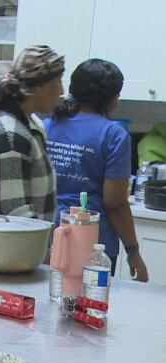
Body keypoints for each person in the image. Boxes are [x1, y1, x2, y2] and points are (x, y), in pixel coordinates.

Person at [44, 59, 148, 280]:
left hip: (48, 236)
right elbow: (115, 202)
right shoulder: (113, 135)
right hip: (92, 243)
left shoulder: (48, 125)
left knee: (47, 304)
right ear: (111, 97)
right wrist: (133, 251)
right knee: (88, 307)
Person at [0, 45, 64, 221]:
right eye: (57, 81)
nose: (61, 91)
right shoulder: (9, 135)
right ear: (38, 86)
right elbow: (16, 215)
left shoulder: (29, 124)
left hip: (12, 246)